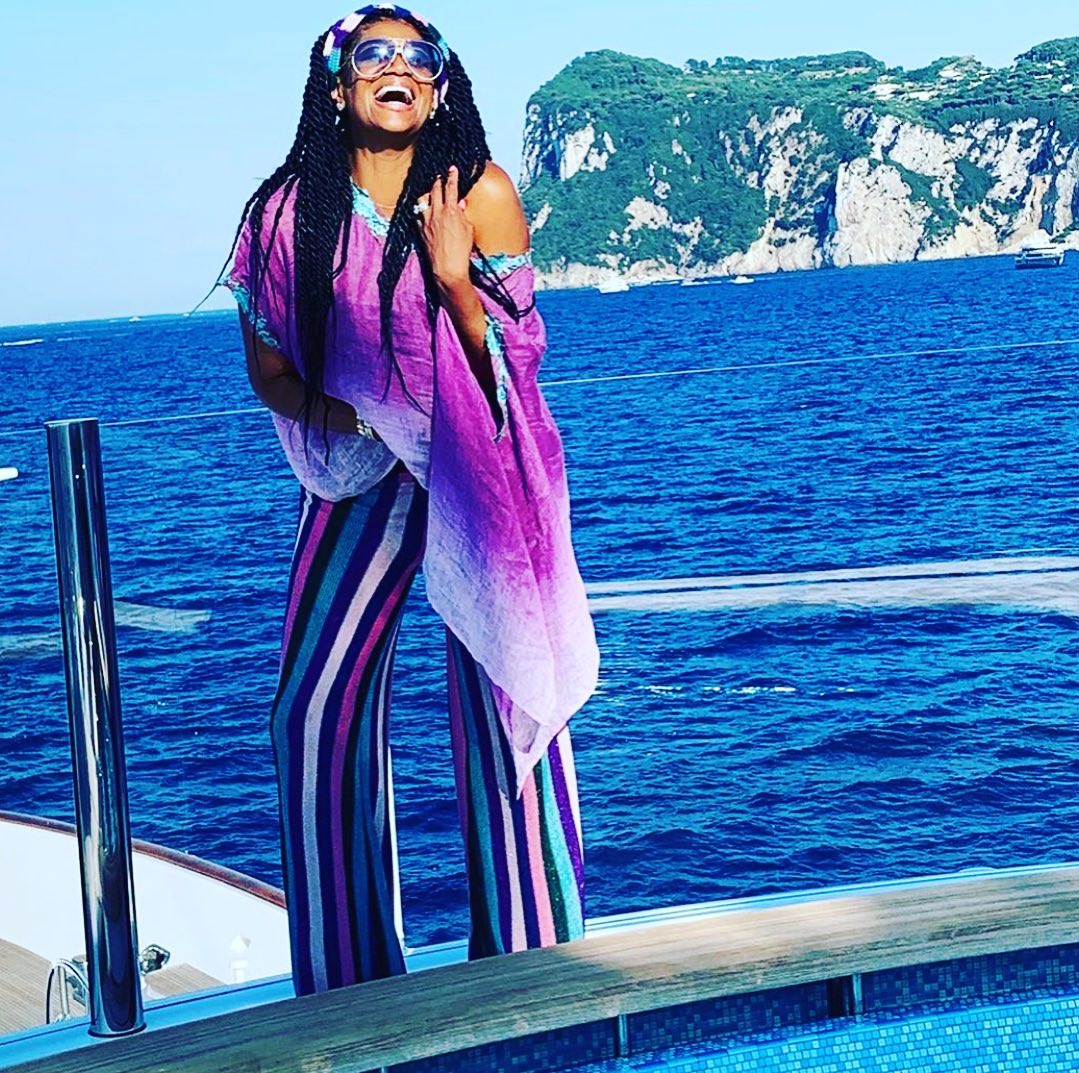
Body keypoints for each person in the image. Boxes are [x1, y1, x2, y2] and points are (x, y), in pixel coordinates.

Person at [223, 4, 599, 996]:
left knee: (508, 704)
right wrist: (354, 420)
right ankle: (348, 981)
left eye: (418, 56)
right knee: (313, 710)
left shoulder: (479, 192)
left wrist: (453, 279)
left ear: (437, 85)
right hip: (357, 474)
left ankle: (535, 972)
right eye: (373, 53)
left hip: (481, 471)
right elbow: (269, 370)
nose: (397, 67)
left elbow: (514, 366)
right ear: (337, 82)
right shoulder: (283, 215)